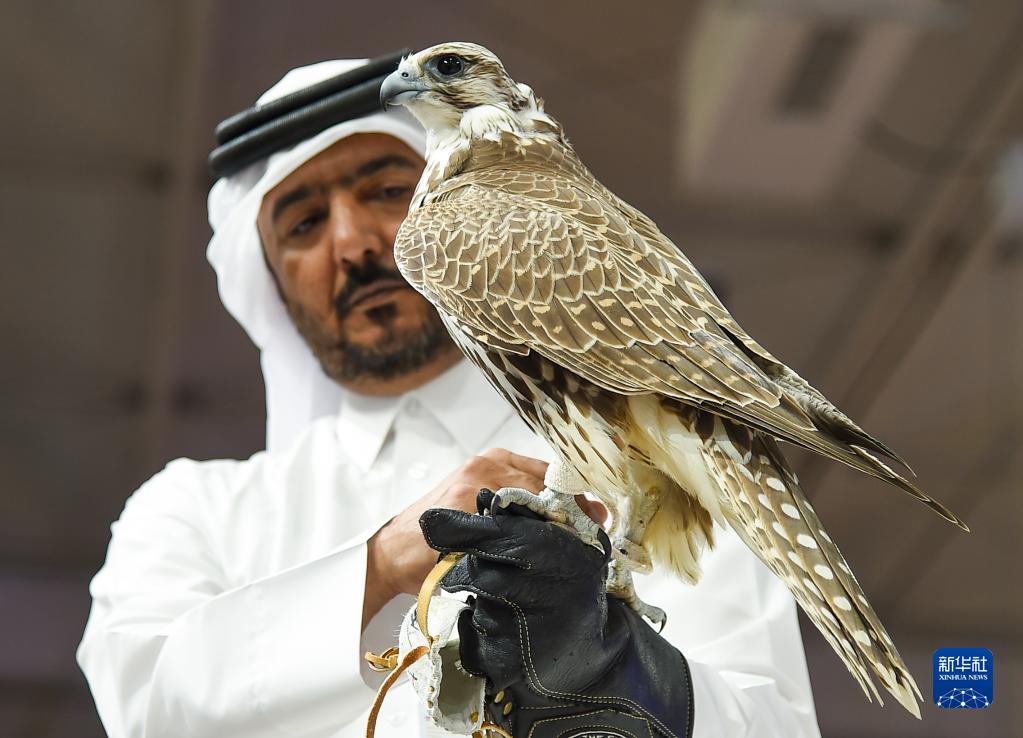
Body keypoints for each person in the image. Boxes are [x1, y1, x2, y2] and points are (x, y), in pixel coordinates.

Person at [77, 56, 821, 738]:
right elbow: (145, 706)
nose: (355, 243)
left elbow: (773, 724)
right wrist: (378, 567)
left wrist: (615, 673)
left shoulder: (660, 450)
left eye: (387, 192)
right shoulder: (195, 511)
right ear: (267, 279)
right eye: (305, 222)